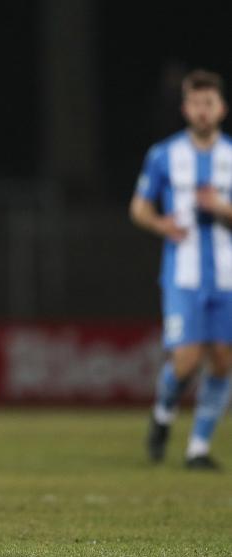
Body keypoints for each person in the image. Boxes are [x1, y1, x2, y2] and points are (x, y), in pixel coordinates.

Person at [131, 69, 232, 470]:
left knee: (223, 361)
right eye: (196, 103)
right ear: (185, 108)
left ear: (220, 107)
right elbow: (139, 207)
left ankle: (198, 448)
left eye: (210, 103)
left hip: (226, 276)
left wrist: (222, 209)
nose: (203, 111)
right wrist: (162, 225)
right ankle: (163, 412)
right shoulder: (163, 155)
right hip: (182, 276)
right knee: (187, 361)